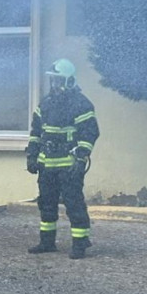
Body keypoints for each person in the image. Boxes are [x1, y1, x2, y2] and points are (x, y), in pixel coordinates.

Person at [25, 58, 99, 260]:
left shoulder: (81, 104)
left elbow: (89, 133)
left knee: (74, 204)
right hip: (47, 164)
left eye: (59, 80)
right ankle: (47, 242)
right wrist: (32, 155)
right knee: (46, 204)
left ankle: (80, 243)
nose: (55, 84)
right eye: (53, 80)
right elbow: (36, 132)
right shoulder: (46, 103)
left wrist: (81, 157)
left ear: (69, 81)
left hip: (69, 165)